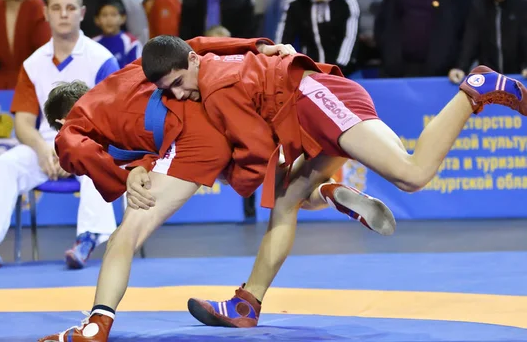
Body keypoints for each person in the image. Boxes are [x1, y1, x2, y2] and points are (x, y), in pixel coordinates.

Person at [139, 35, 527, 327]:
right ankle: (247, 303)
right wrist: (266, 46)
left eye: (177, 83)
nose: (178, 94)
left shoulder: (215, 88)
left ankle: (476, 90)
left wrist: (218, 175)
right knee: (286, 201)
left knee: (412, 175)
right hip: (310, 108)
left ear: (191, 61)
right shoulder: (205, 61)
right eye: (167, 91)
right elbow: (213, 44)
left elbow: (255, 154)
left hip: (318, 102)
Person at [37, 37, 394, 342]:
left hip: (192, 137)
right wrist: (260, 46)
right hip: (218, 111)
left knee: (125, 236)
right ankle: (327, 192)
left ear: (58, 120)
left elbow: (76, 150)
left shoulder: (73, 123)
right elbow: (195, 46)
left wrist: (120, 182)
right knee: (284, 192)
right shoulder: (128, 75)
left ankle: (95, 327)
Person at [0, 0, 120, 271]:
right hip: (45, 148)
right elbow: (22, 123)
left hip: (91, 146)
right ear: (45, 14)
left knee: (98, 163)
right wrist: (44, 149)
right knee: (6, 163)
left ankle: (87, 239)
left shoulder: (102, 59)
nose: (63, 14)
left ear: (82, 14)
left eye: (70, 8)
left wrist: (74, 152)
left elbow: (112, 123)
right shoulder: (33, 64)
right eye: (56, 8)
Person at [92, 1, 142, 68]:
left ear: (123, 18)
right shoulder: (93, 43)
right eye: (104, 15)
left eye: (113, 15)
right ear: (97, 20)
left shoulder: (131, 43)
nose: (109, 19)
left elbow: (136, 71)